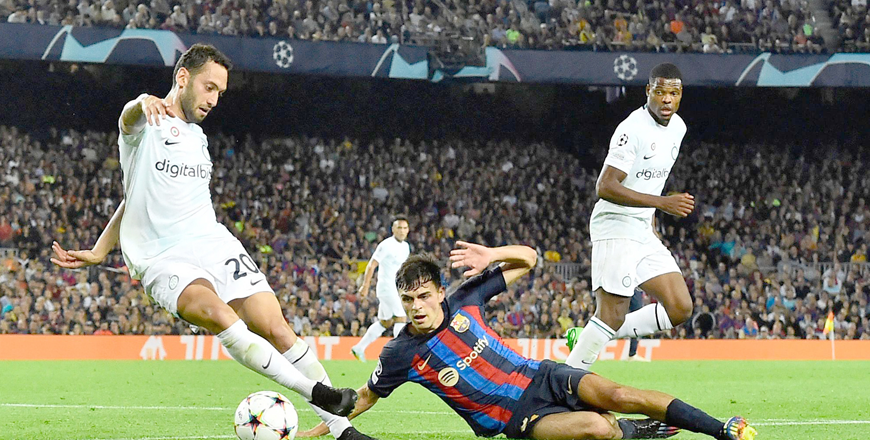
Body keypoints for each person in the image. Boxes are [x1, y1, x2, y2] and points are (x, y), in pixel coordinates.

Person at [49, 44, 373, 440]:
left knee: (275, 325)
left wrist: (101, 249)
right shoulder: (145, 123)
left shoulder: (199, 139)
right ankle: (319, 394)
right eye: (209, 87)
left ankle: (345, 433)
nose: (214, 99)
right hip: (162, 257)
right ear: (183, 78)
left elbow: (134, 194)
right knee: (221, 316)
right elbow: (127, 118)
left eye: (220, 92)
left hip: (212, 241)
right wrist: (140, 101)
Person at [298, 242, 757, 440]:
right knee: (600, 427)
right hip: (515, 417)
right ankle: (637, 432)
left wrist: (493, 255)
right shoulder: (400, 353)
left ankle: (721, 429)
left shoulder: (466, 299)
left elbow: (530, 259)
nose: (416, 306)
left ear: (439, 291)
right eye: (407, 299)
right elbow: (365, 395)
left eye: (423, 296)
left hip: (543, 375)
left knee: (622, 394)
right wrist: (329, 421)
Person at [565, 63, 694, 370]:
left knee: (679, 307)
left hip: (641, 228)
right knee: (612, 312)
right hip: (616, 225)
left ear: (680, 96)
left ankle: (590, 334)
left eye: (673, 93)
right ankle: (562, 383)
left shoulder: (678, 127)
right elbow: (605, 186)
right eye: (660, 91)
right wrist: (661, 203)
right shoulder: (631, 129)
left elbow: (651, 178)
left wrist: (651, 220)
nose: (666, 99)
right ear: (648, 91)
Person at [351, 217, 411, 362]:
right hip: (386, 287)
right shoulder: (386, 245)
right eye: (399, 228)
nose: (402, 231)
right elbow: (372, 265)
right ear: (393, 229)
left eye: (404, 228)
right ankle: (400, 355)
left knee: (386, 322)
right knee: (401, 318)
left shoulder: (405, 246)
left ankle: (359, 348)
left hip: (396, 288)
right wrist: (365, 286)